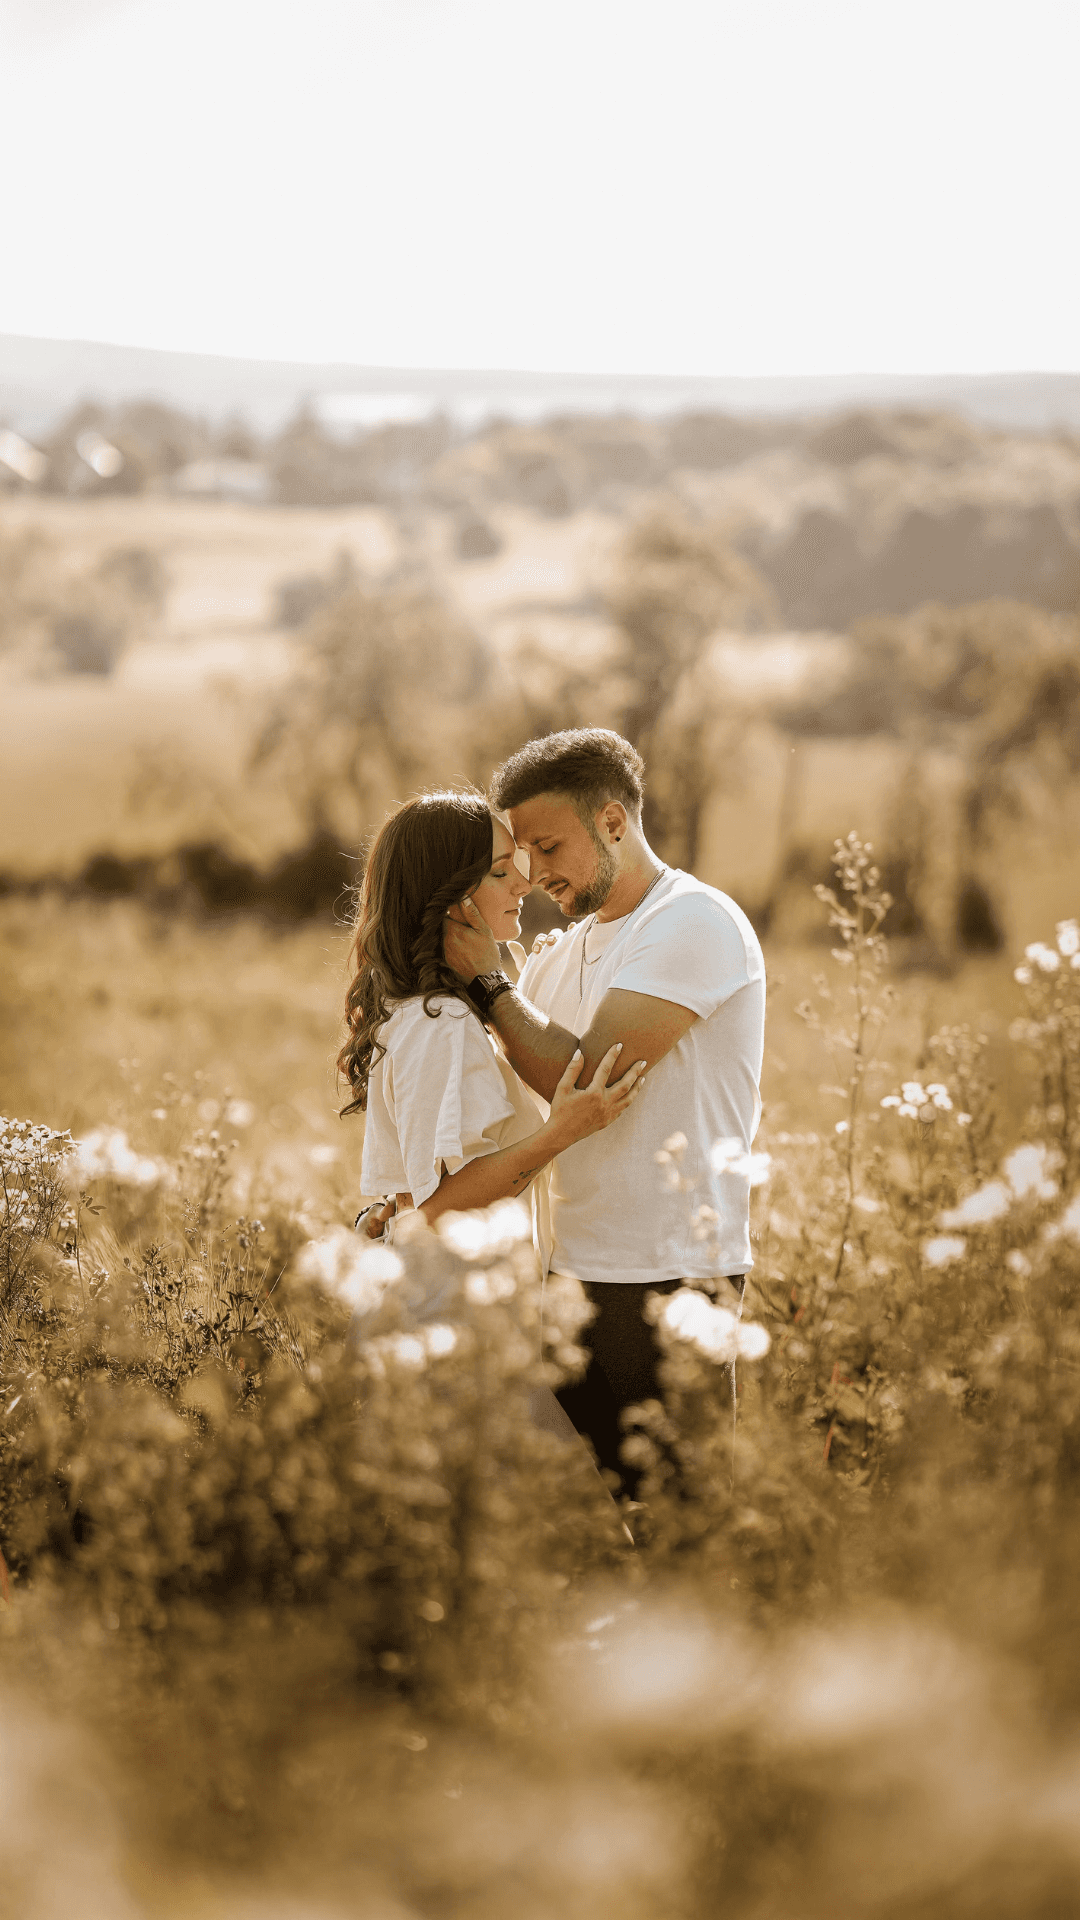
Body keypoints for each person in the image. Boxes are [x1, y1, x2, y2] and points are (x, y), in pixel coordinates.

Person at [442, 728, 766, 1503]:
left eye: (550, 846)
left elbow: (576, 1080)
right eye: (522, 856)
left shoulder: (694, 922)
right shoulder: (562, 952)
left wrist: (487, 986)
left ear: (613, 822)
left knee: (683, 1527)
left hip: (667, 1279)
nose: (536, 872)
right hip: (568, 1280)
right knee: (585, 1538)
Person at [338, 785, 646, 1259]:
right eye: (501, 872)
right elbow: (438, 1212)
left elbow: (424, 1185)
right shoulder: (439, 1021)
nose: (523, 885)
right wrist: (560, 1132)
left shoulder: (429, 1011)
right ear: (450, 898)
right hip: (454, 1311)